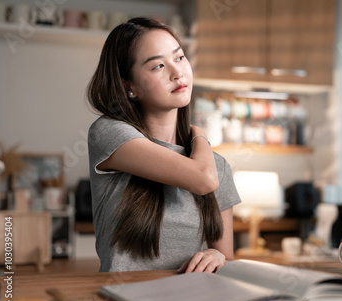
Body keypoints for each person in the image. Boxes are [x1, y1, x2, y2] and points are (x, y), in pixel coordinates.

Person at [86, 17, 241, 273]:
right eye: (158, 65)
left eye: (179, 58)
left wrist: (217, 256)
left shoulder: (218, 166)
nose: (177, 72)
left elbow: (227, 263)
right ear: (129, 87)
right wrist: (199, 133)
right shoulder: (108, 134)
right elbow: (204, 179)